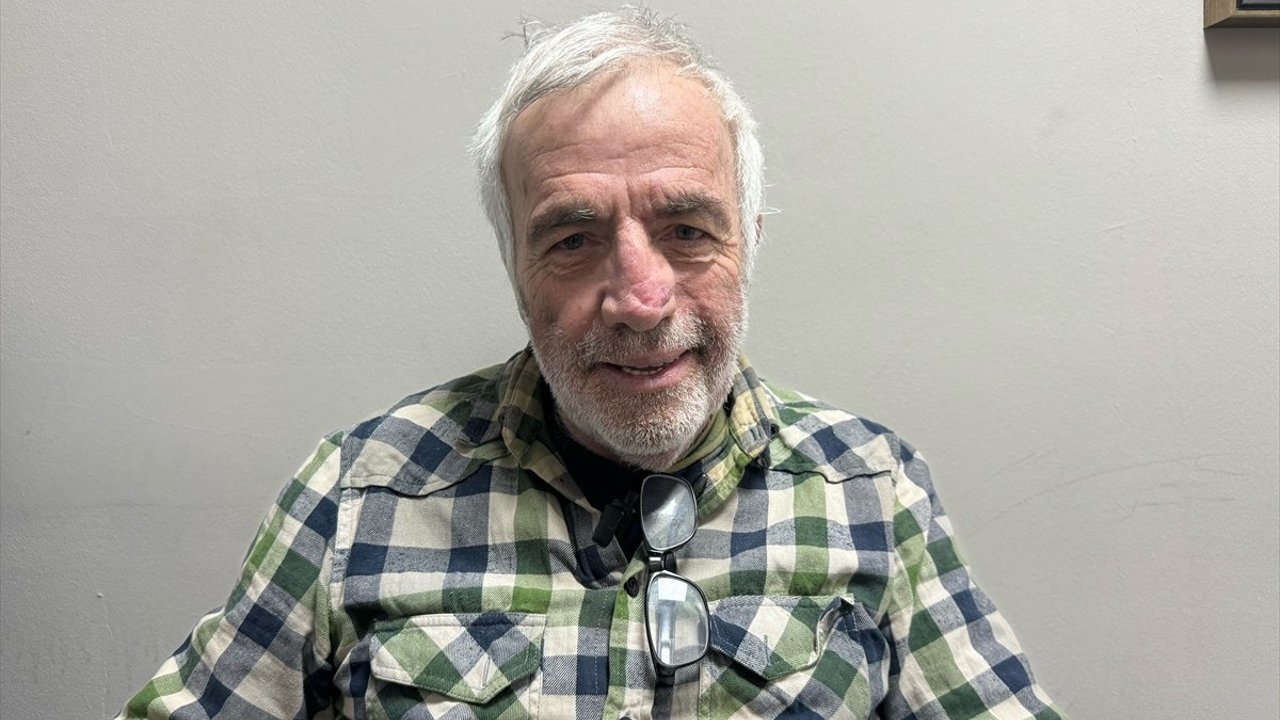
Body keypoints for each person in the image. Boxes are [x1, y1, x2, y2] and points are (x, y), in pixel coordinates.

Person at [115, 8, 1066, 720]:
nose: (640, 300)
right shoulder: (358, 494)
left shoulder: (871, 490)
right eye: (573, 239)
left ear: (750, 241)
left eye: (687, 230)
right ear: (514, 263)